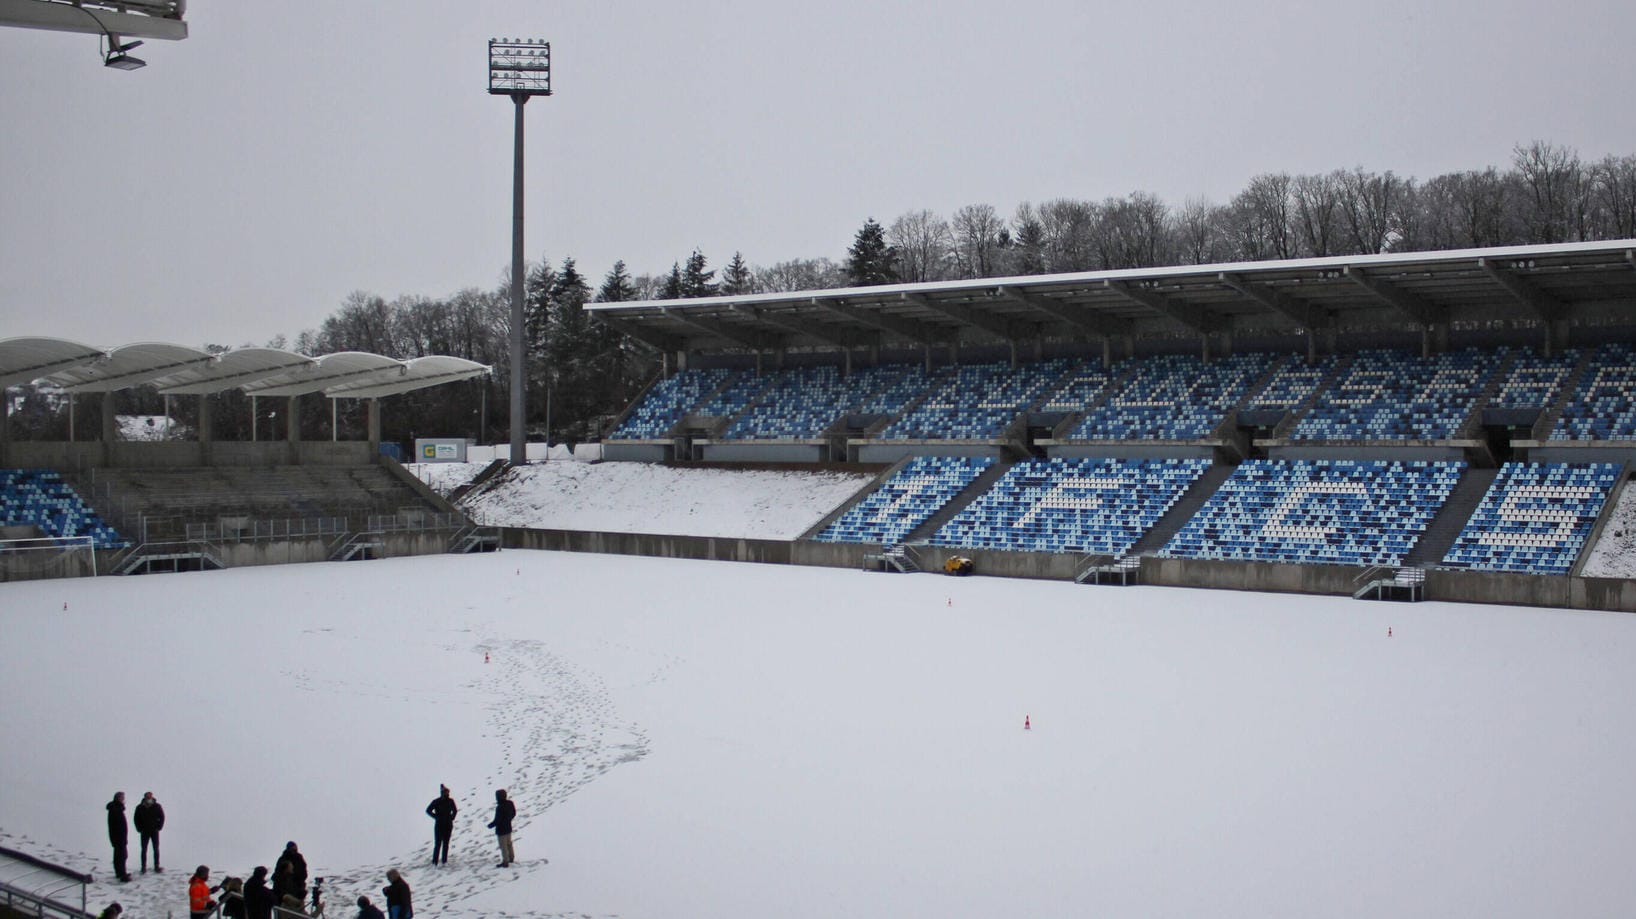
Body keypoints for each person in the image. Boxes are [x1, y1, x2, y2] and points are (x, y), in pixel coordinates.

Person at [133, 791, 165, 874]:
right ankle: (143, 867)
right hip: (144, 831)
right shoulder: (140, 807)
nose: (149, 798)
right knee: (144, 849)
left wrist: (159, 827)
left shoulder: (157, 806)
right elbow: (136, 819)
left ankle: (156, 866)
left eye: (150, 796)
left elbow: (162, 817)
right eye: (147, 796)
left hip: (154, 830)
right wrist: (139, 828)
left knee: (156, 849)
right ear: (145, 797)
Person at [425, 785, 457, 865]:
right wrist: (436, 817)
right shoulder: (437, 801)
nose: (447, 793)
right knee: (438, 843)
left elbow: (455, 810)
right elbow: (428, 810)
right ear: (442, 792)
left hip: (447, 824)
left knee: (445, 843)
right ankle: (435, 861)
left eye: (447, 792)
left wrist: (451, 818)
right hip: (440, 824)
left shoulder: (450, 801)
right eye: (445, 792)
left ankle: (444, 861)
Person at [487, 788, 516, 868]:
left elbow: (497, 820)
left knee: (503, 846)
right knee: (509, 843)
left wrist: (491, 825)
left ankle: (505, 861)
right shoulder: (510, 803)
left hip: (501, 829)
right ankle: (511, 857)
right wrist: (509, 819)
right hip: (508, 827)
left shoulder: (500, 807)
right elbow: (514, 813)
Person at [106, 792, 131, 882]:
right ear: (118, 798)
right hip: (118, 837)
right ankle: (122, 875)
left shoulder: (117, 808)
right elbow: (115, 825)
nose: (123, 800)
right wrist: (119, 837)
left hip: (120, 836)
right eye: (122, 798)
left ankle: (120, 873)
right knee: (121, 856)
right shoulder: (115, 808)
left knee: (120, 856)